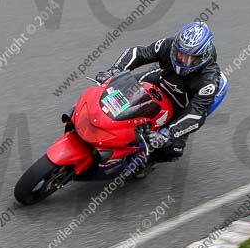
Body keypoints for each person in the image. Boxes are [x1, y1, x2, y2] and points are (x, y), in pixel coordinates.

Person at [95, 21, 228, 167]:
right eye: (179, 54)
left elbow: (197, 113)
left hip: (181, 107)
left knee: (172, 149)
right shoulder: (169, 45)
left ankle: (147, 162)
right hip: (161, 81)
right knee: (113, 89)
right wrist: (114, 70)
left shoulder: (209, 78)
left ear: (203, 56)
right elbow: (139, 53)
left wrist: (168, 134)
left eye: (191, 58)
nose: (183, 60)